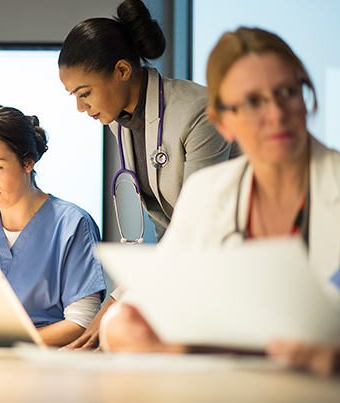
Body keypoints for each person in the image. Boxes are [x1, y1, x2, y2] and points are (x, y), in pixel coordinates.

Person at [101, 27, 340, 375]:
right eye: (252, 102)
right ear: (222, 122)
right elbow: (131, 316)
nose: (276, 114)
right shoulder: (208, 192)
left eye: (288, 92)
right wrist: (123, 329)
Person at [58, 0, 237, 350]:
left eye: (85, 93)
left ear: (123, 70)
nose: (80, 107)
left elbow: (194, 225)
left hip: (227, 262)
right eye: (73, 97)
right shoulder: (119, 122)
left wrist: (115, 301)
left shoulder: (196, 112)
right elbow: (164, 223)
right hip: (185, 265)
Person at [0, 106, 106, 347]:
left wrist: (9, 346)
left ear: (28, 162)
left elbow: (82, 322)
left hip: (46, 363)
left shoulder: (72, 224)